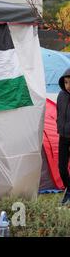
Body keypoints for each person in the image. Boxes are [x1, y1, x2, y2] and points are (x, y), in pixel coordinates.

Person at [57, 69, 70, 205]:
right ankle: (69, 189)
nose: (68, 85)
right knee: (61, 167)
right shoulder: (61, 96)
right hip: (63, 137)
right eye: (66, 82)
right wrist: (59, 126)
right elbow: (59, 113)